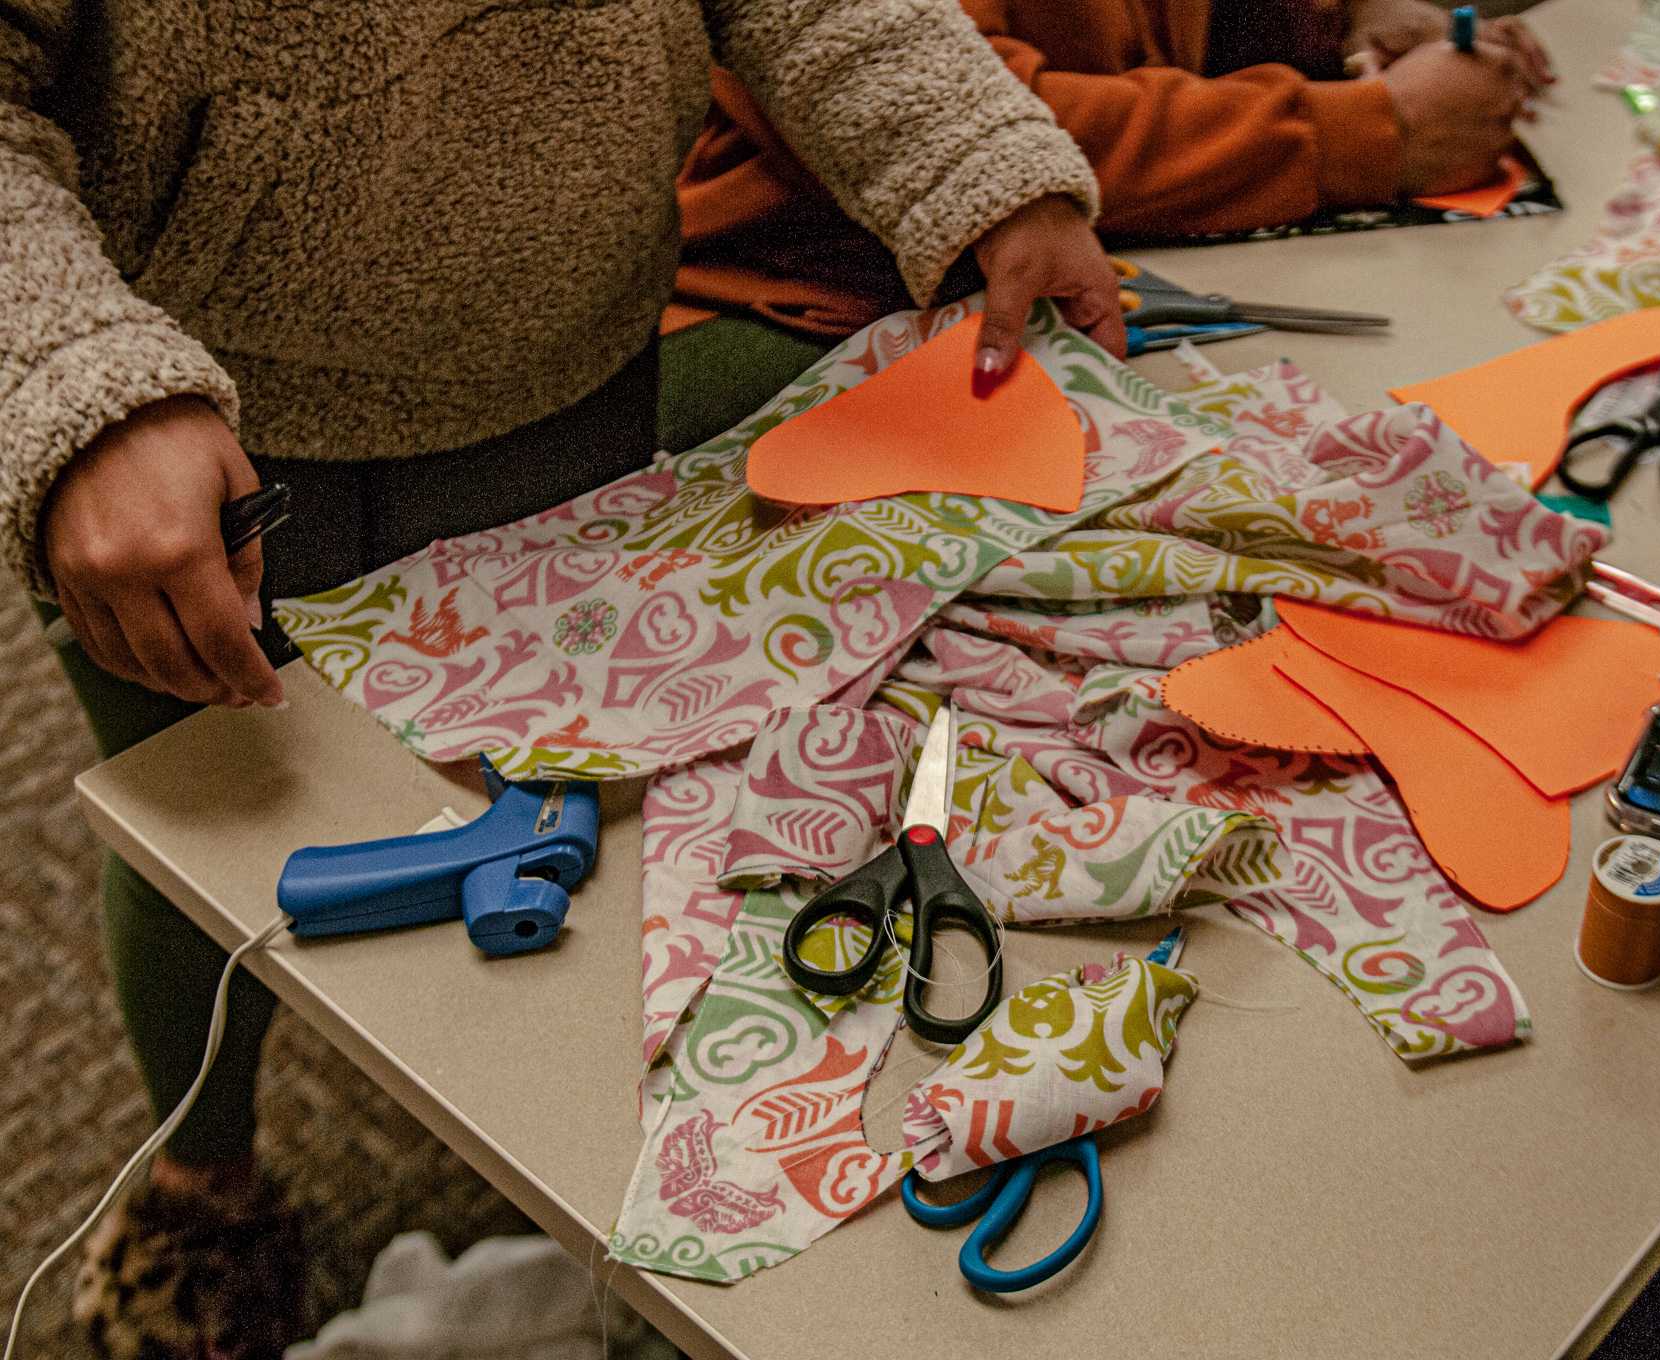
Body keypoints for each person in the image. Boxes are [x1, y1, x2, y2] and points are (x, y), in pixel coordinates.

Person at [4, 4, 1125, 1355]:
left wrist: (970, 156)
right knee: (208, 834)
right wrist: (74, 378)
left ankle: (560, 1150)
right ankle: (202, 1176)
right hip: (183, 451)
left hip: (565, 376)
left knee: (576, 818)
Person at [666, 0, 1553, 340]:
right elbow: (961, 103)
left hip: (1065, 273)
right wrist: (1366, 131)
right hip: (796, 308)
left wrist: (1342, 22)